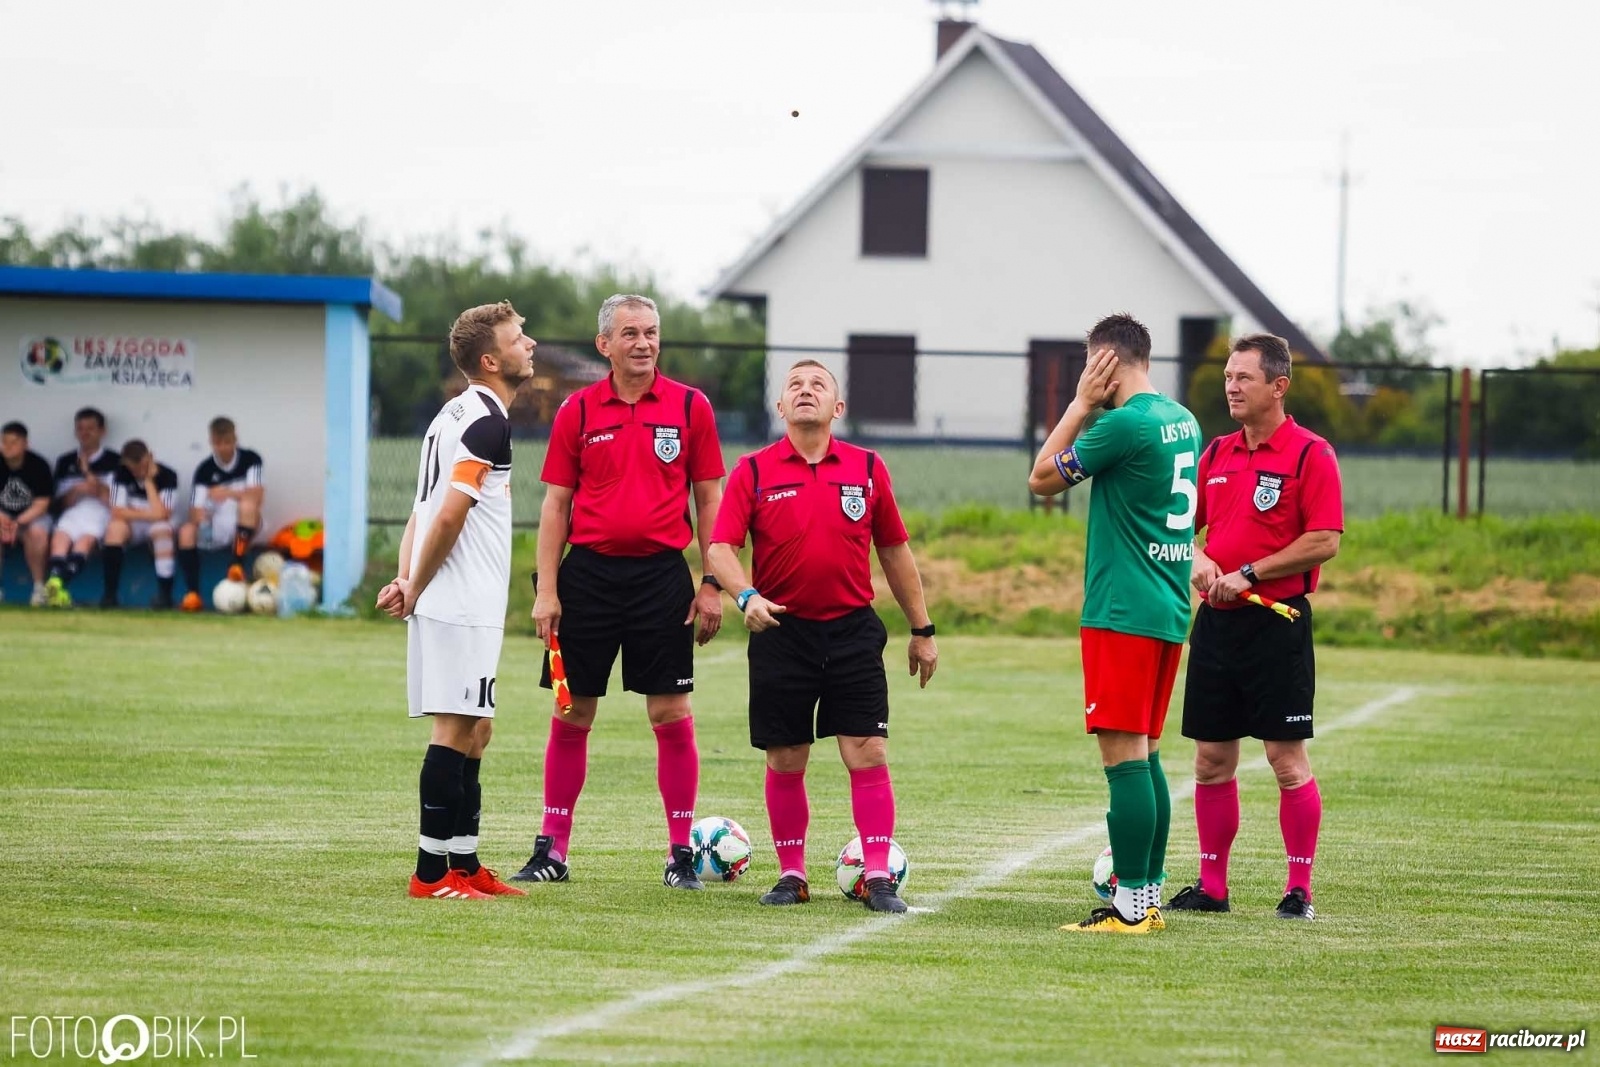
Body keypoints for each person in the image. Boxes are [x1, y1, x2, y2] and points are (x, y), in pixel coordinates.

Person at [707, 359, 938, 914]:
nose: (805, 391)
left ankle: (878, 876)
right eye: (795, 385)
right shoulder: (753, 470)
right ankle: (792, 875)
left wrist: (922, 629)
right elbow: (719, 549)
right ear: (780, 407)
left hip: (853, 630)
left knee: (868, 751)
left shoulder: (866, 467)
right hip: (781, 631)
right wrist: (745, 596)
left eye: (818, 385)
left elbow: (894, 551)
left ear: (838, 407)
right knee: (786, 758)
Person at [510, 293, 725, 890]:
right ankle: (552, 847)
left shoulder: (691, 407)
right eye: (630, 333)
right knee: (571, 708)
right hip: (587, 579)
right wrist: (547, 592)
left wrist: (711, 583)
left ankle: (680, 853)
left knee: (671, 711)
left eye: (651, 332)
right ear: (604, 344)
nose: (643, 343)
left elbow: (711, 501)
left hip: (663, 579)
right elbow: (555, 506)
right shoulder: (577, 410)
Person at [1027, 313, 1202, 934]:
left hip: (1122, 610)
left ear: (1103, 363)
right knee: (1147, 755)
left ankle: (1130, 908)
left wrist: (1079, 405)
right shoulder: (1183, 419)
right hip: (1166, 606)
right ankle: (1146, 897)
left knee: (1124, 759)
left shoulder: (1123, 424)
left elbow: (1041, 479)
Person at [1163, 333, 1343, 922]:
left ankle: (1299, 891)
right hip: (1217, 628)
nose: (1232, 387)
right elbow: (1179, 526)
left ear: (1278, 386)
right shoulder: (1216, 453)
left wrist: (1249, 573)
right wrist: (1197, 560)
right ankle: (1212, 887)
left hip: (1277, 626)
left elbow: (1324, 540)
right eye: (1228, 377)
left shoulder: (1311, 454)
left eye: (1244, 377)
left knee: (1285, 762)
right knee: (1211, 761)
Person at [375, 300, 537, 901]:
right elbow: (447, 513)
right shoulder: (486, 423)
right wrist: (415, 585)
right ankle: (429, 874)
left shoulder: (453, 414)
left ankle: (464, 864)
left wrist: (406, 577)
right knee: (453, 730)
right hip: (460, 602)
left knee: (477, 729)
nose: (530, 345)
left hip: (455, 598)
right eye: (518, 338)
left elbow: (420, 509)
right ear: (491, 360)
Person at [177, 417, 266, 610]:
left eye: (227, 442)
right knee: (186, 531)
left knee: (247, 506)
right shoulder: (204, 470)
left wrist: (226, 493)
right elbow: (194, 511)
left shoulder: (251, 460)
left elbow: (256, 497)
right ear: (211, 442)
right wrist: (201, 517)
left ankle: (236, 565)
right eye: (218, 443)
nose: (223, 447)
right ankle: (193, 594)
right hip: (215, 524)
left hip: (246, 523)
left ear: (235, 439)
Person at [44, 407, 121, 607]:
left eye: (90, 428)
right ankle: (56, 588)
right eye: (80, 428)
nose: (84, 433)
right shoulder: (65, 461)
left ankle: (56, 585)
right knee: (59, 540)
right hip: (73, 511)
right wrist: (76, 490)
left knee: (84, 542)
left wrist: (88, 474)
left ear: (102, 431)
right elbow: (59, 503)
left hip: (100, 513)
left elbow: (114, 500)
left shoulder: (115, 461)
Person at [101, 440, 180, 608]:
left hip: (158, 524)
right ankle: (110, 595)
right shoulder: (120, 474)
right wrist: (150, 513)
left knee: (162, 531)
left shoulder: (168, 475)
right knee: (115, 528)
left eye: (142, 466)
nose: (138, 472)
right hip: (133, 524)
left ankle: (165, 596)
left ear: (150, 457)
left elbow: (163, 515)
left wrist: (149, 482)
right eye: (134, 469)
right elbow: (117, 512)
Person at [0, 421, 56, 606]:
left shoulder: (38, 465)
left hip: (32, 516)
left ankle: (39, 588)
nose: (8, 447)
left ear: (25, 444)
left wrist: (17, 522)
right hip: (3, 517)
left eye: (13, 442)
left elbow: (42, 504)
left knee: (37, 534)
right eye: (4, 442)